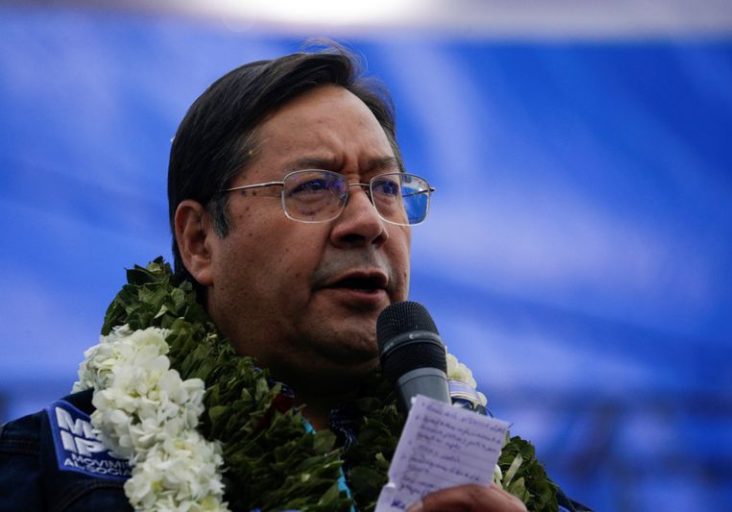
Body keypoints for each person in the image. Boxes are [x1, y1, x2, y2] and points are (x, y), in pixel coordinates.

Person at [0, 45, 588, 512]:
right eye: (313, 187)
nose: (367, 222)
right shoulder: (50, 470)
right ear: (200, 241)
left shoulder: (503, 490)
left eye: (386, 188)